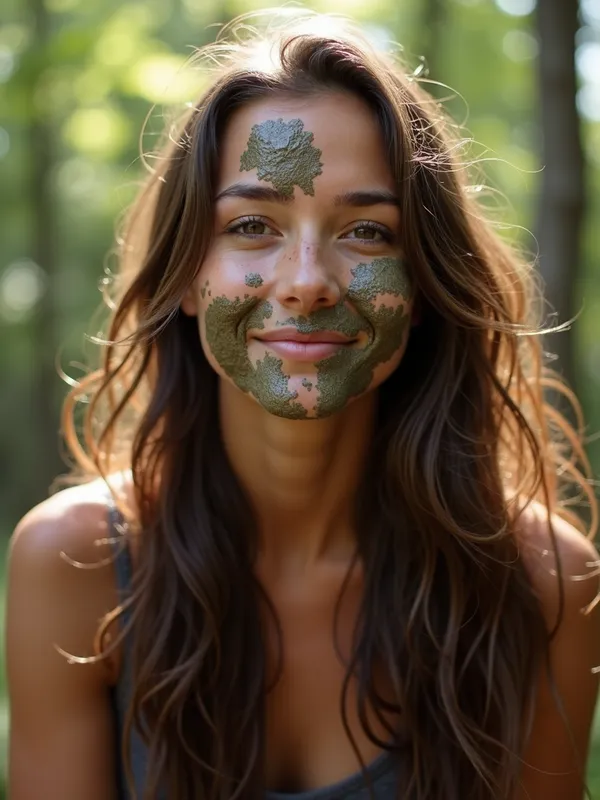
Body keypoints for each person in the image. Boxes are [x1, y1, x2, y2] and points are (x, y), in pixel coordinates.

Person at [5, 10, 600, 800]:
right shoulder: (76, 565)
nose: (307, 280)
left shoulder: (545, 582)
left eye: (367, 232)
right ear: (187, 275)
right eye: (252, 225)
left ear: (422, 286)